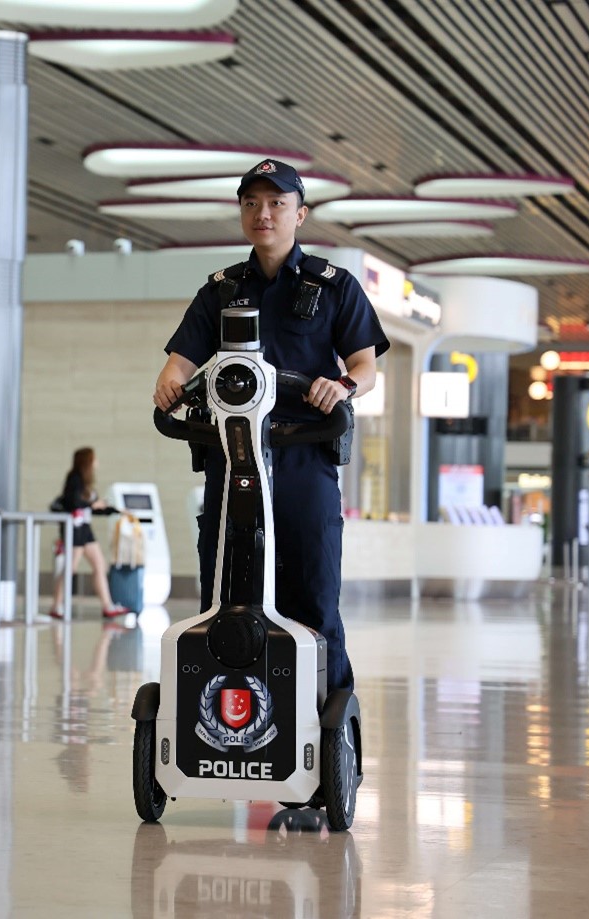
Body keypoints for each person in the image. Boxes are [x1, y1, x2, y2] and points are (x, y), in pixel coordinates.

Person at [152, 158, 389, 693]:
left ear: (299, 215)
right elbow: (180, 362)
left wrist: (343, 386)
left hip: (305, 454)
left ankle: (330, 726)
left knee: (313, 596)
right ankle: (220, 708)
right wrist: (169, 383)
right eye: (252, 203)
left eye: (277, 204)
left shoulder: (335, 286)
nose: (263, 214)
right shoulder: (221, 289)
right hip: (234, 456)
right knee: (222, 591)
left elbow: (366, 367)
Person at [50, 447, 131, 620]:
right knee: (70, 568)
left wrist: (115, 510)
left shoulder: (86, 482)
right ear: (87, 461)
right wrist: (93, 505)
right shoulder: (74, 479)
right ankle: (56, 606)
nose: (97, 463)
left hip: (85, 529)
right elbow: (74, 503)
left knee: (100, 565)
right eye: (94, 459)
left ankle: (107, 606)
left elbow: (94, 507)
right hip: (74, 529)